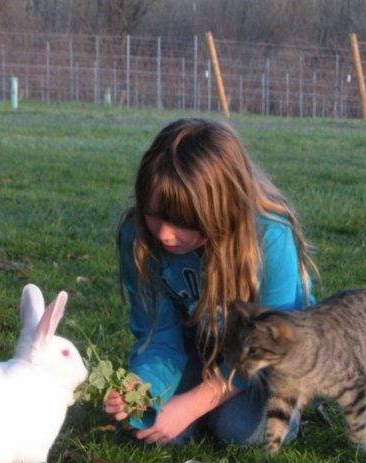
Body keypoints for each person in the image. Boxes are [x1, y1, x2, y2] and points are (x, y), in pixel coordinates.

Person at [104, 118, 316, 446]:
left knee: (242, 433)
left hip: (268, 359)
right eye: (153, 212)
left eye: (183, 221)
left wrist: (192, 404)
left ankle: (283, 406)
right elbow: (157, 336)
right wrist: (142, 386)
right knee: (146, 426)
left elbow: (273, 344)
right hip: (199, 347)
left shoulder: (270, 237)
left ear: (222, 210)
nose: (163, 233)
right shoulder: (139, 238)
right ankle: (205, 406)